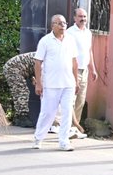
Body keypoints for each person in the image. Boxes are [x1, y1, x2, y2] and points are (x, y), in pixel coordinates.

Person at [32, 15, 79, 151]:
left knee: (67, 112)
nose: (63, 26)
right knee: (48, 113)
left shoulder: (70, 40)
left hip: (68, 84)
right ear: (52, 25)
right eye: (59, 23)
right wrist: (39, 83)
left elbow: (74, 62)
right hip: (51, 84)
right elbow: (37, 62)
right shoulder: (45, 41)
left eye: (64, 23)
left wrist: (76, 81)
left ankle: (64, 141)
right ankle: (38, 138)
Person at [64, 7, 98, 140]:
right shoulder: (70, 33)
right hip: (73, 70)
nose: (83, 19)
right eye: (80, 16)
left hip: (85, 70)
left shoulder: (88, 33)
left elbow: (89, 51)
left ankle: (75, 127)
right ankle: (66, 128)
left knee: (80, 100)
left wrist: (93, 69)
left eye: (84, 16)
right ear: (74, 18)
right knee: (70, 100)